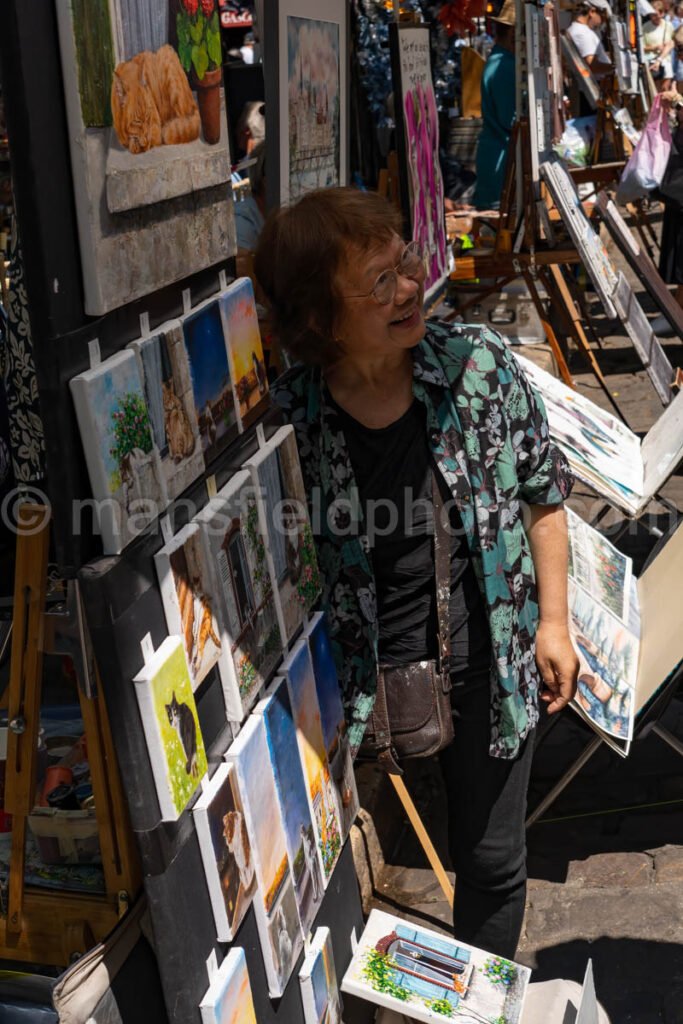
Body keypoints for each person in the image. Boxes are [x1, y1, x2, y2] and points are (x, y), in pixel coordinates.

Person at [255, 187, 579, 960]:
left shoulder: (477, 366)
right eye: (379, 282)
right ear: (316, 318)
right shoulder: (288, 417)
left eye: (404, 262)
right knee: (324, 871)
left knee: (493, 862)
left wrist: (554, 623)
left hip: (486, 664)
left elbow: (543, 496)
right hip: (347, 686)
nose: (408, 287)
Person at [472, 0, 516, 210]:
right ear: (514, 34)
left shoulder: (501, 60)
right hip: (501, 158)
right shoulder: (503, 65)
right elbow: (510, 118)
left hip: (499, 154)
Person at [566, 0, 613, 79]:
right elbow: (592, 66)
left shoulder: (579, 29)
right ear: (592, 11)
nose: (603, 22)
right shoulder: (583, 33)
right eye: (603, 17)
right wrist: (615, 69)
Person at [643, 1, 675, 91]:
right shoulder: (645, 27)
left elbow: (672, 43)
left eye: (656, 15)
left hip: (666, 61)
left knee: (665, 89)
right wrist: (654, 47)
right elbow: (641, 47)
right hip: (651, 61)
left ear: (662, 13)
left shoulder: (668, 26)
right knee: (655, 91)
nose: (654, 17)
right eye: (652, 15)